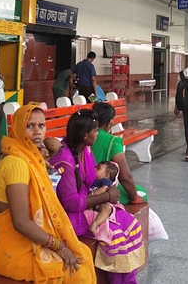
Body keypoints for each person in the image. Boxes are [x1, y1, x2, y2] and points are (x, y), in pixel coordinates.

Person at [0, 104, 96, 283]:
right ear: (19, 128)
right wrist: (59, 246)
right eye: (30, 126)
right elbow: (20, 223)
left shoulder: (28, 156)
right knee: (78, 273)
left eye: (41, 126)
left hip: (29, 237)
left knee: (82, 254)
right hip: (13, 246)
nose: (37, 131)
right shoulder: (17, 163)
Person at [50, 109, 146, 283]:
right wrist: (106, 197)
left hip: (88, 203)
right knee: (116, 235)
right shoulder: (65, 160)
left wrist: (106, 189)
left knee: (127, 221)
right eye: (95, 131)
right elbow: (71, 203)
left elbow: (92, 180)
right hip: (69, 216)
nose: (97, 133)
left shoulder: (84, 150)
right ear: (85, 135)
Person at [91, 102, 146, 204]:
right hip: (99, 188)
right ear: (110, 122)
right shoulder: (112, 141)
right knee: (142, 192)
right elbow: (125, 177)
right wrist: (135, 198)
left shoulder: (85, 135)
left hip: (78, 187)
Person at [86, 161, 118, 236]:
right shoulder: (93, 180)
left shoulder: (104, 181)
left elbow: (103, 189)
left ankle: (95, 224)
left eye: (98, 168)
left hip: (101, 202)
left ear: (106, 175)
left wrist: (91, 195)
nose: (94, 169)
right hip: (93, 202)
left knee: (107, 209)